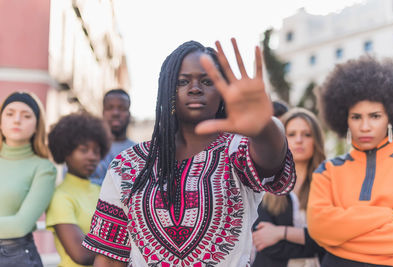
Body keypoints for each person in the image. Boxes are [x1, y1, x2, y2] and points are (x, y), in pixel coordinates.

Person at [82, 39, 296, 266]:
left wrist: (265, 126)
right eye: (183, 81)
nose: (195, 88)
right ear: (167, 90)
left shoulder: (237, 151)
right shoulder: (128, 164)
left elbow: (272, 158)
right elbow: (109, 256)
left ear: (223, 91)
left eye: (207, 81)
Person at [307, 56, 393, 266]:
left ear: (390, 117)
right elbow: (319, 227)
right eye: (356, 117)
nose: (365, 127)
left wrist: (340, 240)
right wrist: (389, 214)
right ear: (344, 119)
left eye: (375, 116)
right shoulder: (328, 170)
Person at [252, 108, 326, 267]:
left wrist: (281, 233)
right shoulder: (264, 182)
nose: (299, 140)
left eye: (307, 134)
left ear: (316, 140)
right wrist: (310, 240)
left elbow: (332, 239)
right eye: (291, 134)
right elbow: (264, 242)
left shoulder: (329, 182)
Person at [46, 113, 110, 267]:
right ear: (66, 152)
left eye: (96, 151)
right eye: (83, 150)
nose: (92, 157)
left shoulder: (103, 191)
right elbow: (82, 255)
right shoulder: (60, 196)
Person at [0, 91, 57, 267]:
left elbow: (21, 225)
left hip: (15, 256)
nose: (17, 120)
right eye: (10, 114)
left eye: (26, 116)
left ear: (37, 126)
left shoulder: (44, 169)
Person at [90, 89, 136, 186]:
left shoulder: (137, 152)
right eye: (109, 108)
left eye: (122, 108)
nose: (115, 113)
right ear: (103, 113)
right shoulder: (87, 149)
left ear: (129, 114)